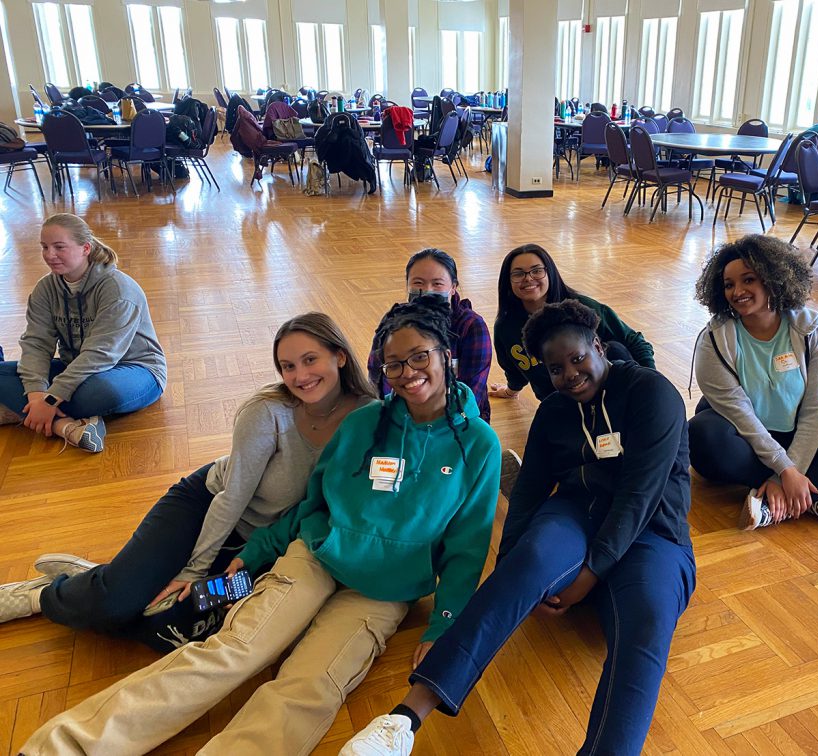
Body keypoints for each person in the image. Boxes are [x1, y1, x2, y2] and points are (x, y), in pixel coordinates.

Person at [20, 298, 501, 756]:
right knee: (233, 650)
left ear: (446, 354)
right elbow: (313, 503)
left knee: (309, 688)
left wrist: (445, 622)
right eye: (394, 364)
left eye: (419, 357)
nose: (407, 373)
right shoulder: (365, 423)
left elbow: (467, 547)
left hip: (383, 593)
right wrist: (256, 552)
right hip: (316, 557)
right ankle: (67, 744)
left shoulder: (479, 445)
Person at [343, 299, 694, 756]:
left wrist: (588, 577)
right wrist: (510, 571)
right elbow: (529, 491)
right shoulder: (554, 411)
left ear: (599, 347)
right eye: (555, 368)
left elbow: (640, 496)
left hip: (653, 531)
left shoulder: (653, 393)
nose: (569, 374)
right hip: (577, 514)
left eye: (577, 359)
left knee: (647, 625)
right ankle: (404, 720)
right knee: (530, 560)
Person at [0, 313, 376, 652]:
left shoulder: (368, 415)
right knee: (116, 605)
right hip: (206, 507)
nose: (300, 376)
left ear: (339, 356)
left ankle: (106, 578)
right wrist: (194, 571)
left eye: (310, 360)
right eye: (287, 366)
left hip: (263, 545)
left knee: (167, 629)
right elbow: (231, 498)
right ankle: (45, 595)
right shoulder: (268, 413)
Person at [689, 235, 818, 530]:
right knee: (701, 433)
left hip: (798, 429)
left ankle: (774, 501)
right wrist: (785, 468)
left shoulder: (811, 330)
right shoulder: (714, 340)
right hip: (746, 436)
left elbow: (816, 410)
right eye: (729, 284)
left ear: (773, 278)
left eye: (749, 279)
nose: (738, 291)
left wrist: (782, 474)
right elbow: (742, 417)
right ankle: (814, 493)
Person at [0, 213, 167, 452]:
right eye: (44, 247)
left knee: (99, 392)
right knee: (14, 375)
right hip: (75, 368)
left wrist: (50, 398)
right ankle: (67, 427)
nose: (49, 255)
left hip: (134, 370)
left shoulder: (118, 290)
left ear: (85, 248)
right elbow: (37, 343)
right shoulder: (45, 289)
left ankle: (23, 411)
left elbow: (101, 354)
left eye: (59, 247)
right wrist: (37, 394)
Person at [489, 243, 655, 403]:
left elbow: (636, 342)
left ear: (550, 273)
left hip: (609, 396)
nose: (528, 278)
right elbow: (513, 369)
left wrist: (653, 385)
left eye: (537, 271)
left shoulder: (581, 308)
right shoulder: (506, 327)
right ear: (508, 281)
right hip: (560, 404)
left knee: (616, 348)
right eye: (518, 274)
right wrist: (511, 391)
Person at [368, 248, 492, 422]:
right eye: (418, 283)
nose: (427, 290)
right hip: (403, 419)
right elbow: (378, 377)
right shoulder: (393, 323)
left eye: (437, 284)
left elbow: (473, 391)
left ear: (453, 288)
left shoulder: (471, 326)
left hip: (457, 421)